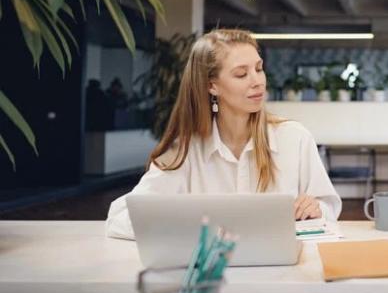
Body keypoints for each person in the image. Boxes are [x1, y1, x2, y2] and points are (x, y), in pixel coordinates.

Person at [106, 29, 342, 240]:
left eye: (259, 69)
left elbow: (329, 208)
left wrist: (315, 209)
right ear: (212, 86)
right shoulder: (186, 150)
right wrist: (189, 225)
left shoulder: (295, 138)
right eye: (241, 74)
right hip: (211, 272)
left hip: (284, 271)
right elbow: (120, 217)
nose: (258, 81)